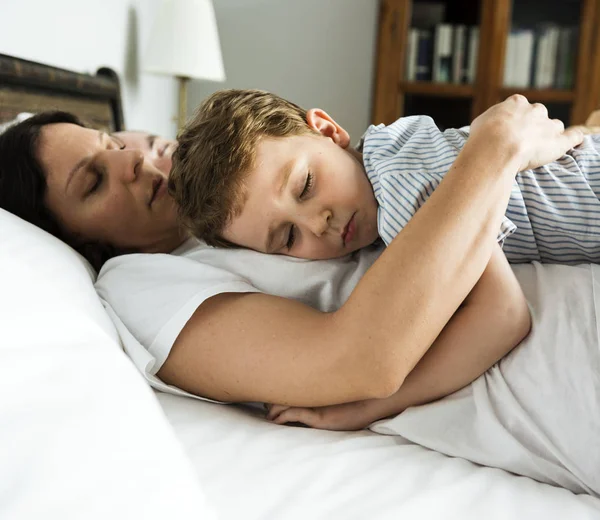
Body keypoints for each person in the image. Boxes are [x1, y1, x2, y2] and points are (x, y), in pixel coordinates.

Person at [0, 99, 582, 414]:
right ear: (81, 243)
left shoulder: (369, 180)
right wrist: (494, 148)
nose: (129, 160)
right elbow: (359, 361)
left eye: (110, 142)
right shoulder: (136, 284)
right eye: (94, 181)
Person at [169, 89, 600, 268]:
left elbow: (498, 318)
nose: (317, 224)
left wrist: (365, 409)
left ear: (328, 131)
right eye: (287, 239)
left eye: (305, 186)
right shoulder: (389, 140)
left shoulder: (400, 204)